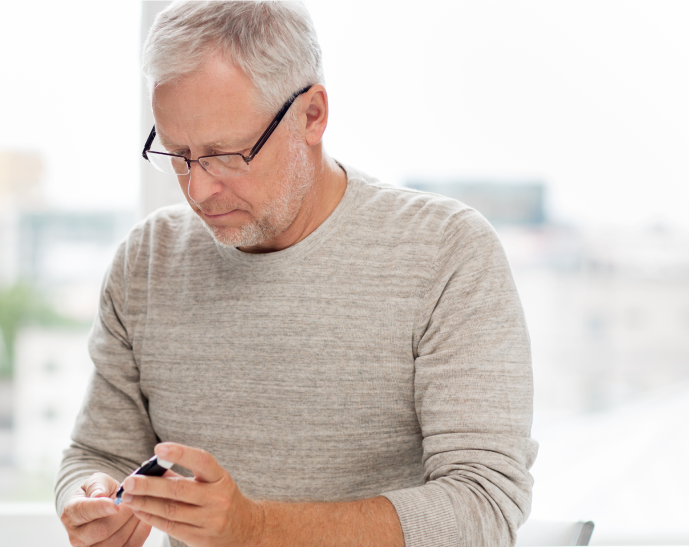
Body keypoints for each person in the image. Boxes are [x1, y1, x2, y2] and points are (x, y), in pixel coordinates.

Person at [56, 1, 537, 546]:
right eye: (178, 153)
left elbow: (484, 505)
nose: (199, 189)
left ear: (312, 115)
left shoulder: (446, 251)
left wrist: (256, 529)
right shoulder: (147, 260)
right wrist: (91, 497)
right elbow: (98, 454)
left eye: (227, 154)